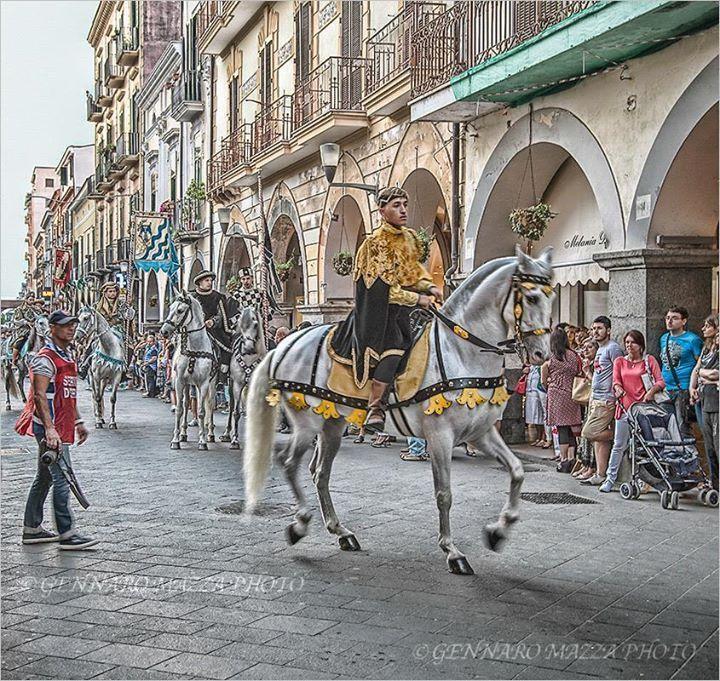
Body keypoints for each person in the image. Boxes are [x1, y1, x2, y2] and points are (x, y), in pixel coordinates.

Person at [330, 186, 443, 433]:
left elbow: (412, 273)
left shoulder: (410, 238)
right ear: (382, 211)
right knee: (394, 348)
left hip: (407, 310)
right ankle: (376, 406)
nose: (403, 210)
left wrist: (430, 286)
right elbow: (383, 291)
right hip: (380, 314)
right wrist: (419, 299)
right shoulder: (374, 244)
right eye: (396, 205)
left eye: (404, 204)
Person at [14, 310, 97, 549]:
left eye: (73, 324)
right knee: (63, 478)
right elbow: (40, 397)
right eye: (65, 325)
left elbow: (66, 395)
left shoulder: (67, 354)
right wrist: (50, 430)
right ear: (52, 328)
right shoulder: (45, 358)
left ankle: (32, 528)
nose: (71, 328)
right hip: (51, 429)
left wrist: (78, 421)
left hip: (62, 425)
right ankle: (67, 533)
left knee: (44, 478)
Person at [600, 329, 665, 492]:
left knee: (648, 446)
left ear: (640, 345)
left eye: (633, 342)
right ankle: (610, 478)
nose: (629, 345)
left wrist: (651, 392)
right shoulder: (620, 362)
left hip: (644, 410)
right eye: (627, 342)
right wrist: (617, 388)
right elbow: (615, 381)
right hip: (624, 409)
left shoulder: (649, 360)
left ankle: (652, 479)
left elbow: (660, 381)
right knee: (619, 445)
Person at [580, 316, 623, 486]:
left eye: (599, 328)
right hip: (595, 397)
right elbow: (600, 375)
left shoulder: (613, 348)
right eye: (593, 328)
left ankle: (622, 437)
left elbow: (619, 372)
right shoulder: (600, 349)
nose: (595, 332)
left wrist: (615, 395)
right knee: (598, 439)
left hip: (606, 399)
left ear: (608, 330)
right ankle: (600, 473)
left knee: (589, 433)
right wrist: (588, 373)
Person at [542, 327, 583, 473]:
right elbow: (579, 371)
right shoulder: (573, 355)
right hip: (572, 394)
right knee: (571, 427)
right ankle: (572, 458)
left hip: (556, 395)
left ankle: (564, 459)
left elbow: (543, 380)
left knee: (561, 428)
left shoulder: (552, 358)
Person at [660, 306, 703, 438]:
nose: (670, 321)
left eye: (674, 318)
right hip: (665, 389)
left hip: (683, 389)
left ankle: (689, 456)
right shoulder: (663, 338)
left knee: (682, 428)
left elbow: (700, 363)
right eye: (668, 318)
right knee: (666, 427)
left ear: (684, 321)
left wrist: (694, 386)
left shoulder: (693, 340)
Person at [191, 270, 237, 383]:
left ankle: (222, 377)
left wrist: (213, 321)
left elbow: (221, 314)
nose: (209, 283)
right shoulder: (192, 297)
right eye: (207, 280)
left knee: (227, 348)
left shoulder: (218, 297)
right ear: (200, 283)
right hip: (195, 330)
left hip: (213, 330)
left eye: (211, 280)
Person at [690, 316, 719, 490]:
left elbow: (716, 374)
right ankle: (714, 482)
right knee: (709, 444)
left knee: (717, 443)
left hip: (716, 401)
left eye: (708, 326)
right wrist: (691, 388)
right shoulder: (706, 349)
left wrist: (704, 374)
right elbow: (697, 369)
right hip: (704, 398)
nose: (703, 329)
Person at [574, 338, 599, 481]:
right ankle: (585, 464)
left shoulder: (597, 364)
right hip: (589, 402)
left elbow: (595, 382)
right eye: (585, 347)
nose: (586, 350)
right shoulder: (587, 363)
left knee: (589, 432)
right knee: (584, 434)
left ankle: (592, 467)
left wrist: (587, 373)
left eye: (590, 347)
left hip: (597, 401)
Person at [524, 364, 550, 448]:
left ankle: (544, 438)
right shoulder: (531, 367)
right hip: (531, 391)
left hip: (540, 391)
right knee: (534, 416)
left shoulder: (543, 366)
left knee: (542, 415)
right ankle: (539, 438)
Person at [143, 333, 159, 398]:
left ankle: (151, 393)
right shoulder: (148, 348)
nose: (149, 343)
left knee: (150, 380)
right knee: (148, 379)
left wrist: (147, 363)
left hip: (151, 366)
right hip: (148, 365)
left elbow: (154, 358)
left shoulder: (153, 349)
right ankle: (149, 392)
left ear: (154, 342)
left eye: (151, 342)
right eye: (148, 341)